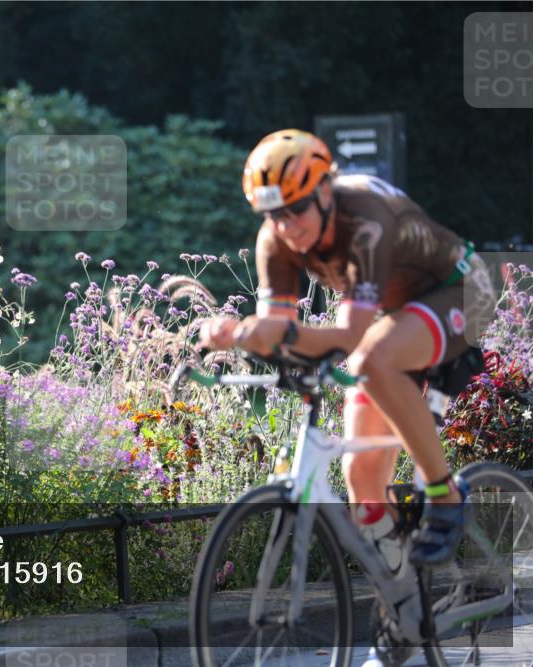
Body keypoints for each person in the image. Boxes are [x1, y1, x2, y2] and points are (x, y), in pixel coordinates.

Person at [200, 129, 495, 570]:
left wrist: (264, 333)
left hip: (463, 291)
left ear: (324, 191)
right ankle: (401, 600)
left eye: (297, 208)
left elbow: (349, 335)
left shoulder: (364, 220)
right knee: (363, 488)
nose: (286, 225)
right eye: (272, 213)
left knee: (373, 359)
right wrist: (244, 335)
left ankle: (444, 492)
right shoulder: (275, 241)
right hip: (399, 312)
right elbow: (277, 329)